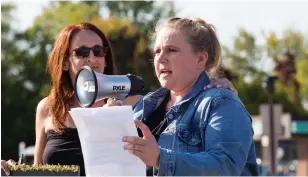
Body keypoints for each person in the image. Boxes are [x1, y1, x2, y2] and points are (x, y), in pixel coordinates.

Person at [1, 21, 238, 176]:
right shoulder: (48, 108)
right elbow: (41, 172)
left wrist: (217, 89)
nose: (91, 58)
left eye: (99, 51)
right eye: (81, 52)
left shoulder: (137, 104)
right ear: (64, 61)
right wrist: (14, 171)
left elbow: (181, 97)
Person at [116, 17, 258, 176]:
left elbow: (225, 166)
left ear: (200, 59)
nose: (161, 58)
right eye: (157, 51)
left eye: (171, 50)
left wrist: (159, 158)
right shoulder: (145, 106)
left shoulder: (222, 103)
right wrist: (107, 124)